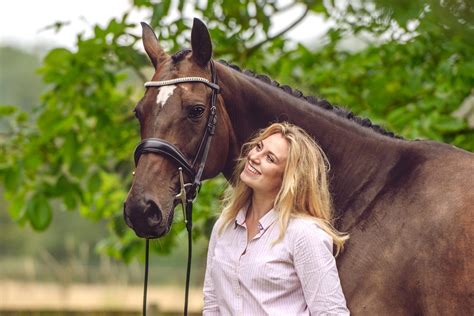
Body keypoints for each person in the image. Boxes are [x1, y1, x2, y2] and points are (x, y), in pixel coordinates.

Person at [203, 122, 350, 315]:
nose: (254, 157)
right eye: (258, 147)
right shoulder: (225, 223)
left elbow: (331, 312)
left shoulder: (304, 234)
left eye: (269, 158)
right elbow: (212, 302)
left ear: (288, 178)